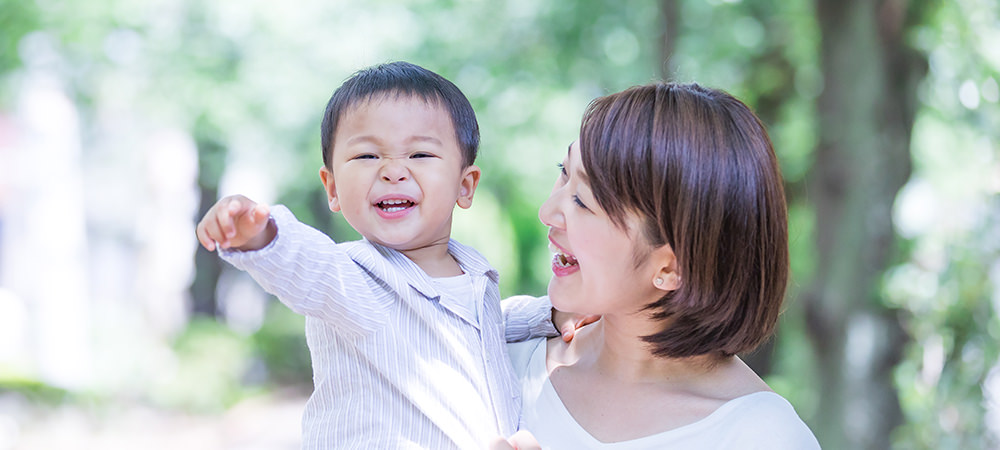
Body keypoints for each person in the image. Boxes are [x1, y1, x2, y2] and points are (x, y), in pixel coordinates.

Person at [196, 61, 557, 449]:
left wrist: (551, 313)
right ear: (332, 188)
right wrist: (261, 233)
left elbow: (486, 325)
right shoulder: (356, 277)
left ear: (464, 186)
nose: (392, 171)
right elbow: (306, 265)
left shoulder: (471, 274)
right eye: (367, 156)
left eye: (419, 155)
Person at [495, 82, 821, 449]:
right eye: (563, 171)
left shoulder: (759, 437)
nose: (547, 212)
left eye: (582, 201)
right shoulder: (502, 365)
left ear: (671, 268)